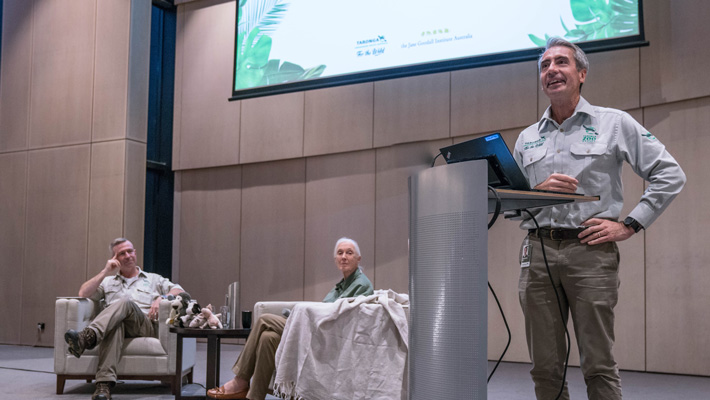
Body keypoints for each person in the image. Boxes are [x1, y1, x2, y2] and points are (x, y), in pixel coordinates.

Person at [513, 37, 686, 400]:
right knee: (545, 368)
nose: (551, 71)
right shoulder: (527, 139)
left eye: (561, 62)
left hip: (589, 252)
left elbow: (670, 174)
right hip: (537, 255)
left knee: (598, 365)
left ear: (582, 73)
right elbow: (516, 206)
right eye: (544, 66)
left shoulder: (614, 123)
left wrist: (629, 224)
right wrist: (538, 191)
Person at [206, 237, 374, 400]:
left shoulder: (360, 284)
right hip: (317, 330)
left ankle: (240, 380)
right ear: (335, 258)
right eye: (340, 253)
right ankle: (254, 397)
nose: (344, 257)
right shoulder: (341, 284)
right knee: (268, 338)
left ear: (358, 258)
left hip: (325, 337)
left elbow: (335, 317)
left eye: (349, 253)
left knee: (264, 320)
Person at [64, 238, 186, 400]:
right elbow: (83, 293)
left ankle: (87, 337)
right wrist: (105, 271)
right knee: (116, 325)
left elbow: (180, 290)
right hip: (115, 324)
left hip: (145, 325)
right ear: (115, 259)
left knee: (125, 302)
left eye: (130, 251)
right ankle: (103, 386)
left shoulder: (153, 278)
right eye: (122, 253)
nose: (128, 255)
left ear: (135, 253)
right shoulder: (107, 282)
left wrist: (162, 298)